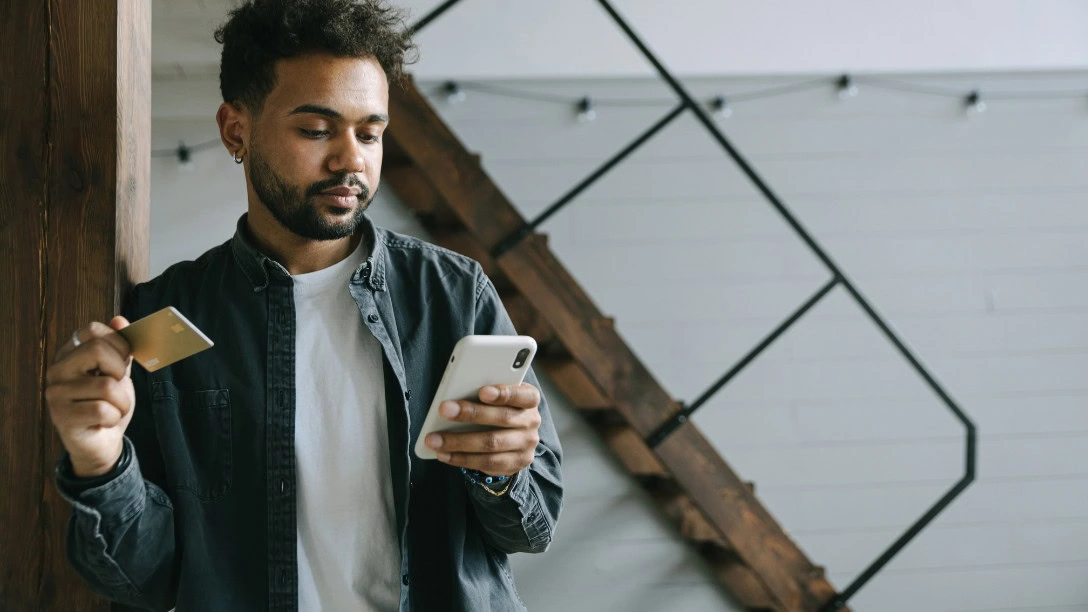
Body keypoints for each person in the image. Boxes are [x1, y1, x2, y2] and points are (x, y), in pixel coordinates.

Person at [44, 1, 563, 610]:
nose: (352, 160)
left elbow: (531, 530)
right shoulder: (166, 312)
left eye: (370, 133)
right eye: (316, 130)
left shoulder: (452, 294)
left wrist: (503, 471)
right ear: (236, 129)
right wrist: (99, 461)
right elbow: (145, 580)